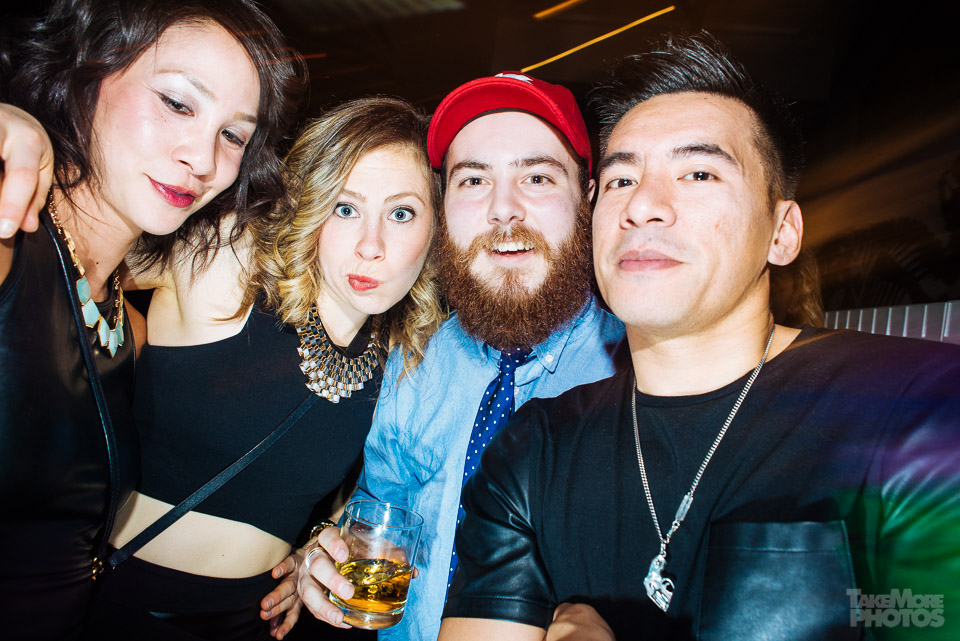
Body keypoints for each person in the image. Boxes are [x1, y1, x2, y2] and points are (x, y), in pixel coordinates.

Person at [439, 34, 960, 641]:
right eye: (621, 179)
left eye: (699, 172)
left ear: (782, 233)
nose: (644, 206)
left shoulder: (921, 405)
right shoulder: (532, 448)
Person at [78, 95, 444, 641]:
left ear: (437, 228)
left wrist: (312, 551)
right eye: (345, 208)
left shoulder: (408, 360)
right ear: (312, 205)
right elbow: (77, 254)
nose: (371, 246)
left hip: (254, 622)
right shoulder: (234, 259)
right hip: (120, 604)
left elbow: (353, 503)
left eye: (401, 213)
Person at [0, 1, 302, 639]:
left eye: (233, 136)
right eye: (177, 103)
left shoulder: (125, 328)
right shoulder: (9, 245)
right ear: (86, 75)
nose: (204, 158)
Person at [297, 73, 626, 641]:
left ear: (588, 197)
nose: (504, 210)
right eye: (474, 180)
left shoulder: (638, 372)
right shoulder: (416, 358)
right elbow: (378, 506)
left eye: (537, 177)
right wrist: (323, 550)